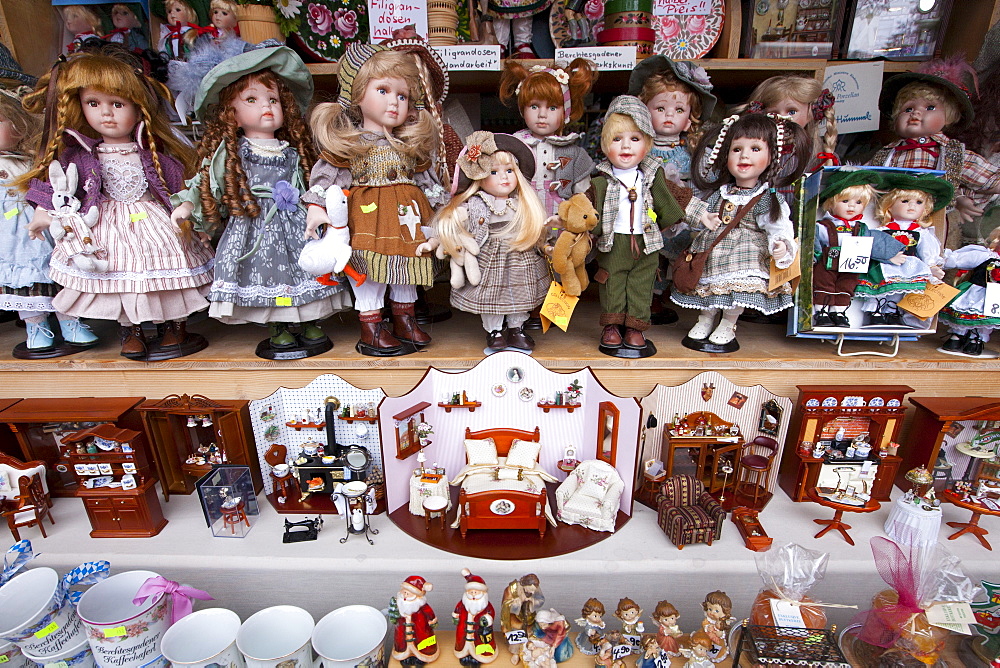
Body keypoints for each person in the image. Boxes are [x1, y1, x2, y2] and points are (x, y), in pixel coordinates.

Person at [22, 45, 214, 360]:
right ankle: (131, 329)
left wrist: (193, 218)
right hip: (106, 223)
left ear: (139, 108)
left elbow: (180, 187)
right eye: (93, 103)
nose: (106, 113)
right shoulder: (79, 154)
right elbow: (58, 187)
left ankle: (173, 327)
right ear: (79, 106)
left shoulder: (151, 152)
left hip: (153, 218)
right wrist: (44, 212)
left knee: (167, 268)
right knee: (121, 278)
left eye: (117, 103)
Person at [170, 46, 350, 357]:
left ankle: (308, 321)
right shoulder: (233, 151)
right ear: (232, 113)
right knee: (267, 274)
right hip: (254, 222)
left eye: (273, 100)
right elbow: (207, 182)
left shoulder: (293, 151)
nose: (265, 107)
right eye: (251, 100)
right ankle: (278, 327)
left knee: (304, 270)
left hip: (295, 223)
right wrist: (188, 206)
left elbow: (306, 184)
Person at [305, 43, 446, 356]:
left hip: (409, 222)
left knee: (405, 270)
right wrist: (316, 208)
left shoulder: (410, 147)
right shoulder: (351, 144)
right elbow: (326, 178)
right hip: (367, 219)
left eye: (402, 96)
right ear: (357, 95)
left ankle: (404, 321)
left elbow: (428, 183)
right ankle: (371, 326)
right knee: (369, 271)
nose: (394, 103)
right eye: (383, 90)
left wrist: (443, 211)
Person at [671, 113, 810, 353]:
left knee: (735, 289)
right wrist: (707, 219)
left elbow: (778, 226)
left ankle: (728, 323)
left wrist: (780, 244)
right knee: (709, 285)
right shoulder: (721, 192)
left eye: (755, 148)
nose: (744, 155)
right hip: (714, 246)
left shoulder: (767, 198)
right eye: (737, 149)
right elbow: (705, 211)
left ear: (771, 157)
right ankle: (705, 319)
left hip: (745, 251)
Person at [0, 85, 98, 354]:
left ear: (19, 123)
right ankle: (36, 327)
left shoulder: (36, 160)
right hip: (11, 238)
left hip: (48, 231)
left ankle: (71, 323)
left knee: (59, 273)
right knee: (23, 280)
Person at [434, 131, 547, 353]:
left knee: (520, 295)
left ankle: (517, 328)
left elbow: (540, 230)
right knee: (492, 297)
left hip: (519, 254)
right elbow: (456, 221)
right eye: (493, 172)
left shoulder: (523, 204)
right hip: (489, 256)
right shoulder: (477, 203)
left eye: (509, 171)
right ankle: (494, 331)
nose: (503, 178)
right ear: (479, 175)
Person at [589, 96, 685, 356]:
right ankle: (611, 325)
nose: (625, 146)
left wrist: (701, 217)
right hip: (613, 242)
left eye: (635, 139)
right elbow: (584, 211)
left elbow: (676, 199)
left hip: (646, 243)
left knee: (642, 284)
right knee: (611, 282)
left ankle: (635, 327)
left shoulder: (652, 177)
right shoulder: (600, 182)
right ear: (605, 145)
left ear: (648, 143)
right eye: (616, 139)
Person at [868, 58, 1000, 230]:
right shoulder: (886, 154)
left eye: (930, 107)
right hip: (887, 224)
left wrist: (960, 197)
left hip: (931, 224)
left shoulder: (952, 154)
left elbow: (989, 179)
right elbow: (865, 182)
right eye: (907, 109)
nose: (916, 112)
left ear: (949, 116)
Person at [498, 59, 598, 221]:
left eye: (552, 108)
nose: (542, 114)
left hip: (561, 221)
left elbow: (584, 193)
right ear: (523, 109)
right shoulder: (513, 146)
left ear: (565, 112)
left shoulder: (574, 153)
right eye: (534, 106)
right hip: (523, 219)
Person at [855, 173, 953, 327]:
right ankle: (877, 312)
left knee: (901, 291)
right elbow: (873, 246)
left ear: (925, 208)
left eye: (919, 202)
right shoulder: (882, 230)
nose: (911, 206)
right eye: (905, 201)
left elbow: (927, 251)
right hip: (883, 265)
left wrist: (932, 266)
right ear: (890, 205)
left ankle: (893, 312)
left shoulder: (921, 233)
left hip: (910, 266)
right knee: (881, 288)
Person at [811, 169, 905, 329]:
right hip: (827, 263)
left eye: (858, 203)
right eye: (845, 201)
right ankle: (822, 312)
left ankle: (839, 312)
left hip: (852, 264)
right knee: (823, 285)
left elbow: (875, 243)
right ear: (831, 202)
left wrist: (890, 256)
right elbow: (813, 242)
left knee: (846, 286)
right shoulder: (823, 226)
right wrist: (812, 257)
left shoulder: (862, 228)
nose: (852, 206)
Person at [744, 75, 837, 170]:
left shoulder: (821, 157)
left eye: (792, 112)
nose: (782, 118)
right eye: (773, 113)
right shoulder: (751, 152)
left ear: (812, 114)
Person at [938, 225, 1000, 357]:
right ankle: (957, 335)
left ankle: (975, 339)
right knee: (966, 310)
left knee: (985, 319)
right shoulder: (986, 255)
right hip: (976, 291)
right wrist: (940, 261)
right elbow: (959, 260)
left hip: (995, 297)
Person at [390, 575, 440, 666]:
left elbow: (429, 613)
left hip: (420, 629)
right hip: (402, 629)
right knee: (401, 641)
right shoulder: (399, 603)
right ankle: (405, 656)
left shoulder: (421, 606)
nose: (405, 596)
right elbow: (394, 614)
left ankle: (422, 657)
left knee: (423, 642)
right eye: (404, 592)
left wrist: (432, 620)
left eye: (408, 594)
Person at [453, 569, 497, 666]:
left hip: (479, 631)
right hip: (464, 630)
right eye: (471, 592)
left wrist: (487, 619)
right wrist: (456, 615)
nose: (473, 594)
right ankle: (464, 654)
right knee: (462, 642)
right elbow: (458, 609)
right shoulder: (463, 603)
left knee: (480, 643)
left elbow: (491, 613)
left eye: (475, 592)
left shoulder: (486, 605)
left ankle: (479, 657)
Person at [700, 591, 731, 662]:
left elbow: (722, 632)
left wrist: (718, 633)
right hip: (706, 638)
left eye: (716, 611)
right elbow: (704, 624)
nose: (712, 613)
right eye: (710, 609)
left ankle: (715, 656)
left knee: (716, 648)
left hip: (717, 641)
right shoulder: (708, 620)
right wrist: (707, 627)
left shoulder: (722, 622)